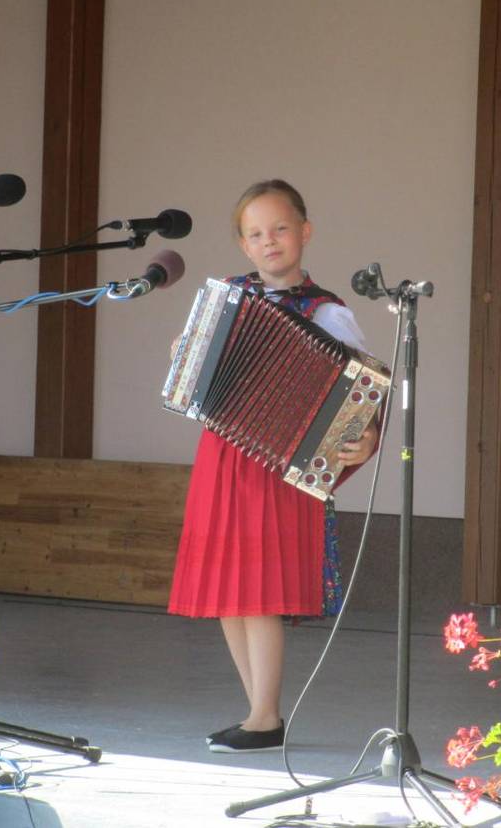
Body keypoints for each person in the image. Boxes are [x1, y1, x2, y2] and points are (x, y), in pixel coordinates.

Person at [166, 179, 378, 754]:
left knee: (257, 591)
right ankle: (256, 709)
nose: (270, 241)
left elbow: (361, 393)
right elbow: (192, 365)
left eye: (280, 229)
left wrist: (367, 437)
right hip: (224, 453)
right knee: (229, 593)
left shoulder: (327, 312)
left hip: (280, 467)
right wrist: (184, 363)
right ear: (243, 244)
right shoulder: (225, 297)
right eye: (256, 233)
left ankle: (265, 716)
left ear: (304, 232)